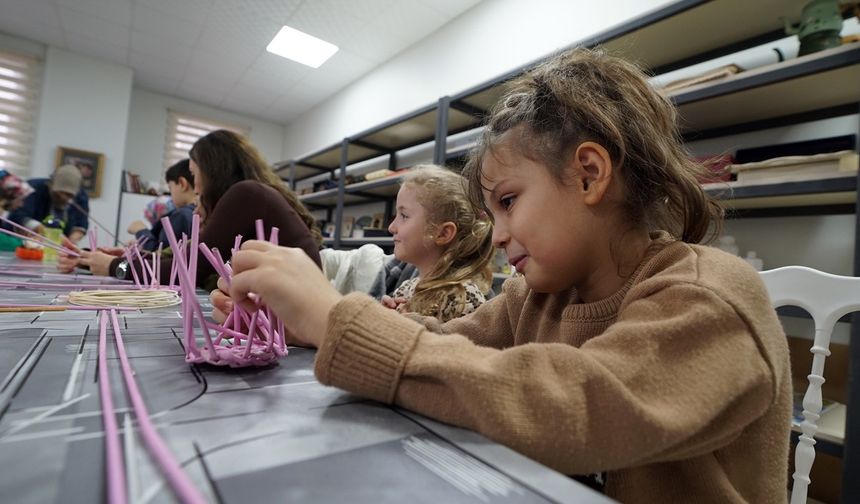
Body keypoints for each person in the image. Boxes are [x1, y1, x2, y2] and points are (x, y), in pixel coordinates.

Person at [211, 48, 791, 502]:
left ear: (589, 174)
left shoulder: (711, 298)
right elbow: (443, 351)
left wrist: (338, 315)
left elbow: (576, 406)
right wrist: (302, 323)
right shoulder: (531, 297)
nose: (497, 232)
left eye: (509, 202)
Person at [78, 130, 322, 289]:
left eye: (195, 175)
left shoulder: (246, 194)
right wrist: (120, 259)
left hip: (289, 322)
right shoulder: (250, 195)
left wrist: (114, 267)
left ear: (213, 172)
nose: (195, 187)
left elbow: (187, 270)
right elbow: (185, 260)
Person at [380, 165, 494, 322]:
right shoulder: (406, 288)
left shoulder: (463, 299)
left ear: (443, 233)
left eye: (404, 216)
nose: (391, 227)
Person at [127, 159, 196, 252]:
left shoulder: (182, 215)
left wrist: (140, 230)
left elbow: (159, 254)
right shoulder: (198, 213)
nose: (170, 195)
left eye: (170, 188)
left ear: (182, 183)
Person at [8, 164, 89, 243]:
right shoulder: (33, 188)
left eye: (69, 195)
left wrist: (71, 241)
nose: (63, 198)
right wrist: (43, 231)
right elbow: (18, 216)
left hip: (60, 247)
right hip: (23, 242)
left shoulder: (81, 197)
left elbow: (81, 224)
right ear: (50, 184)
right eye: (58, 194)